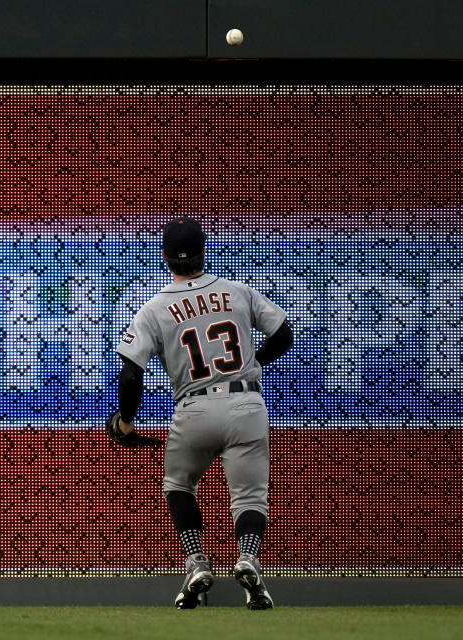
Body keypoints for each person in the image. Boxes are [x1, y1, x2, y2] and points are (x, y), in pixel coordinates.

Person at [106, 217, 293, 610]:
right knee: (249, 498)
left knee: (178, 485)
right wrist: (252, 362)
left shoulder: (155, 308)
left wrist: (125, 421)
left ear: (165, 257)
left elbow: (130, 372)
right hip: (245, 403)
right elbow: (283, 335)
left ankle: (196, 561)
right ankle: (248, 559)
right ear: (204, 252)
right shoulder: (237, 292)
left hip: (194, 408)